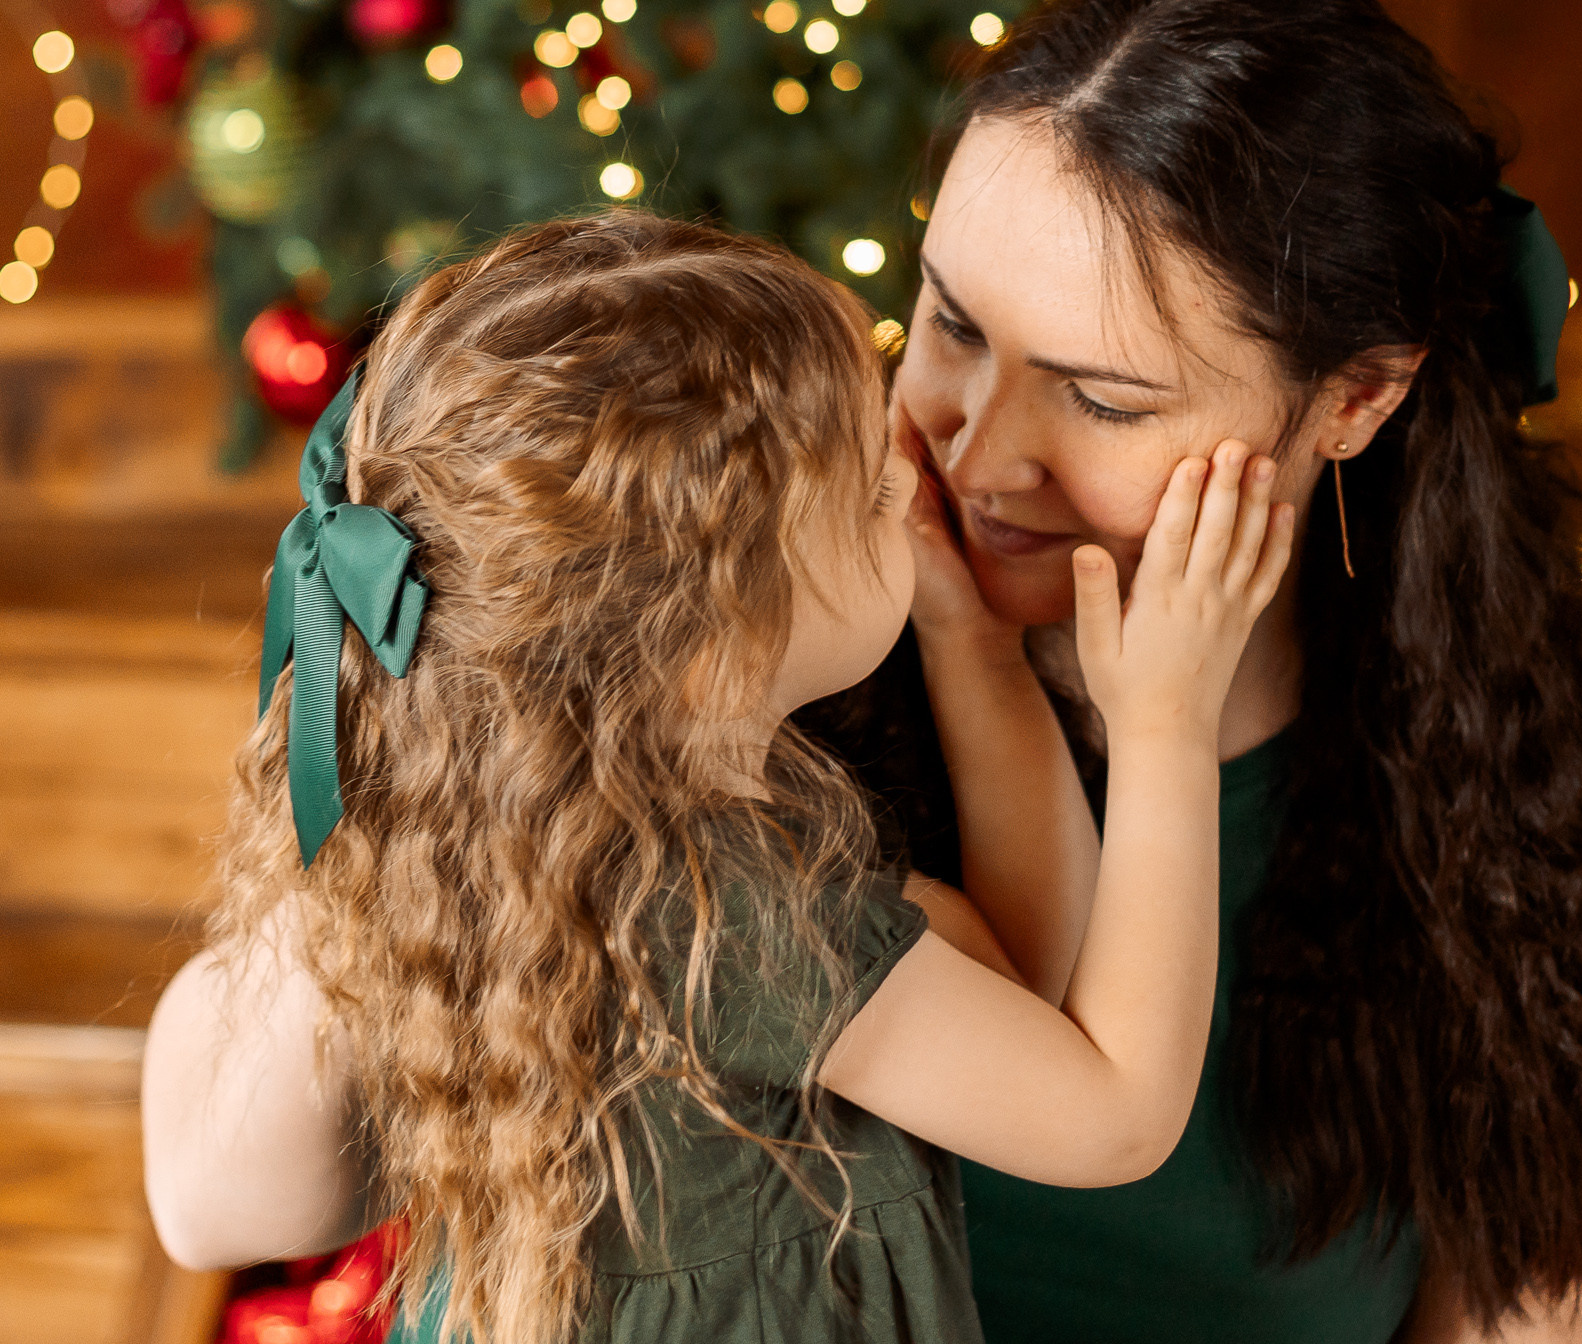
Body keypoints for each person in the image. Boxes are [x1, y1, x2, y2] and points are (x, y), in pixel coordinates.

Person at [137, 213, 1297, 1344]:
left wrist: (971, 646)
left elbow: (1007, 986)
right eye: (870, 497)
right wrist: (1164, 721)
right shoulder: (721, 907)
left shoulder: (534, 833)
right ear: (714, 650)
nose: (917, 482)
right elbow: (1109, 1117)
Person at [801, 0, 1582, 1344]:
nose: (978, 452)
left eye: (1103, 401)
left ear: (1354, 400)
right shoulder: (763, 686)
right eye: (951, 323)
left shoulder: (1531, 824)